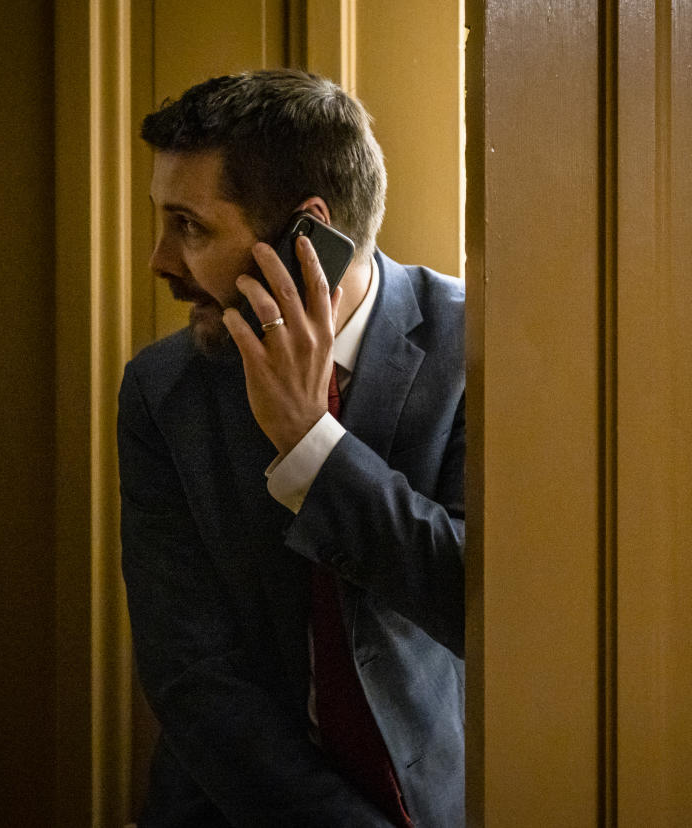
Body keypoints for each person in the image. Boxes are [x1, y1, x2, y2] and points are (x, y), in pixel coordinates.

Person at [117, 69, 466, 826]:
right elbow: (193, 677)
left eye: (190, 226)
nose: (161, 264)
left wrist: (311, 446)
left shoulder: (477, 351)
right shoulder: (160, 391)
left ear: (305, 236)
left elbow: (479, 603)